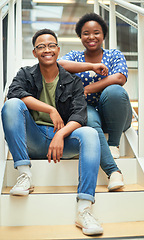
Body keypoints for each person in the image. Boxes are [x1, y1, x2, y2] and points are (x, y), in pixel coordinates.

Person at [1, 29, 104, 236]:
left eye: (51, 46)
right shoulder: (25, 74)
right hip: (34, 137)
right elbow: (15, 93)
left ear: (58, 49)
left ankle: (84, 209)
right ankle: (24, 175)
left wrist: (60, 134)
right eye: (41, 46)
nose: (46, 50)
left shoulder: (73, 81)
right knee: (11, 105)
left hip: (61, 143)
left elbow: (79, 116)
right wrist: (50, 109)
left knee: (90, 133)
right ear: (34, 52)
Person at [58, 12, 132, 191]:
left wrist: (87, 89)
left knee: (114, 91)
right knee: (85, 117)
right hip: (88, 109)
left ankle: (113, 143)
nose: (91, 37)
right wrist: (91, 66)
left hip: (116, 113)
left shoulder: (114, 55)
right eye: (86, 33)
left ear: (104, 35)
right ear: (79, 36)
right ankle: (114, 173)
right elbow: (58, 64)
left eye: (96, 32)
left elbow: (120, 78)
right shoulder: (75, 56)